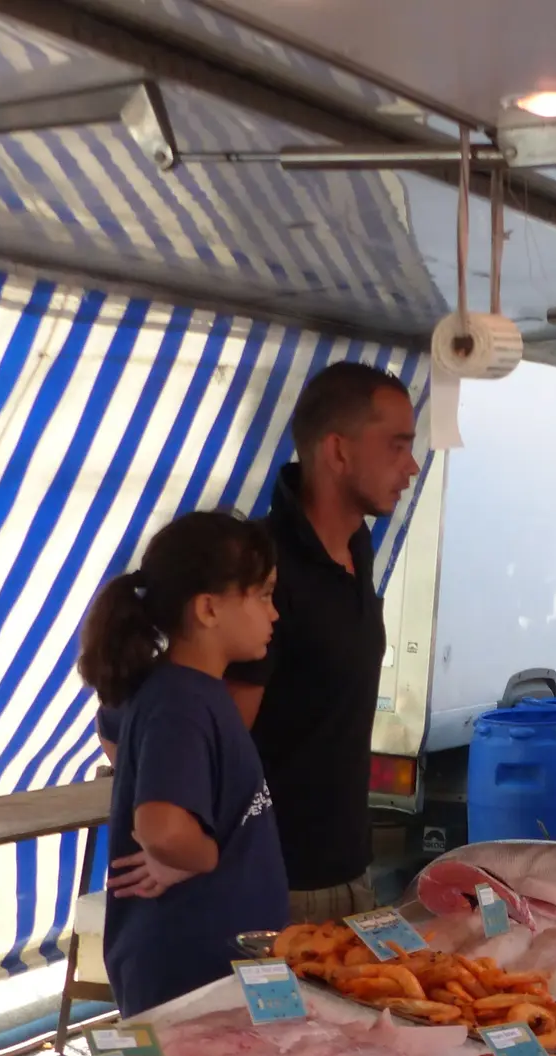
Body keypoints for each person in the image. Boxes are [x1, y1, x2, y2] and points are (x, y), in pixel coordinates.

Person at [230, 361, 420, 924]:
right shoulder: (261, 567)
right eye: (396, 446)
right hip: (279, 886)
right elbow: (219, 739)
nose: (412, 466)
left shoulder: (358, 547)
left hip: (351, 870)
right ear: (338, 451)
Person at [79, 511, 287, 1016]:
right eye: (262, 595)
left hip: (221, 968)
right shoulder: (181, 701)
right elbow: (162, 828)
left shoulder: (194, 692)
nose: (275, 613)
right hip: (191, 975)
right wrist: (202, 857)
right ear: (209, 608)